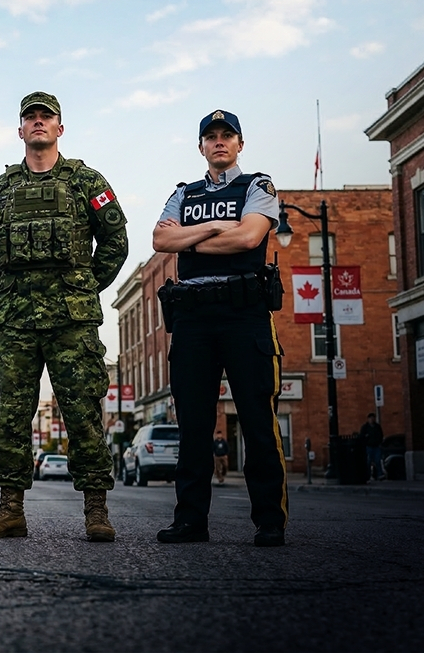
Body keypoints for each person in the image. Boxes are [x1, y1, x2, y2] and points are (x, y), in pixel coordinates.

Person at [0, 92, 128, 542]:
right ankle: (10, 510)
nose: (38, 122)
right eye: (30, 117)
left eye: (46, 116)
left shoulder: (86, 181)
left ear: (60, 128)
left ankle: (96, 510)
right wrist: (7, 287)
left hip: (72, 321)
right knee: (11, 414)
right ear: (20, 130)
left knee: (82, 414)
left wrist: (84, 287)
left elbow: (115, 240)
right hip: (15, 320)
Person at [151, 109, 288, 547]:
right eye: (211, 137)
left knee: (256, 419)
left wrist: (190, 237)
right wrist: (213, 226)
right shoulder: (183, 193)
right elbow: (161, 240)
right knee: (193, 425)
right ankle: (191, 521)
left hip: (244, 313)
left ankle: (270, 521)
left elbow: (249, 238)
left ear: (240, 144)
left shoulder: (258, 186)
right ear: (201, 147)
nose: (219, 142)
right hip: (192, 319)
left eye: (227, 135)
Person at [361, 412, 385, 481]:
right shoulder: (365, 427)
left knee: (378, 461)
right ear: (368, 419)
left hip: (376, 446)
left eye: (373, 418)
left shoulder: (377, 427)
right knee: (368, 461)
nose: (372, 419)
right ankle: (368, 475)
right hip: (368, 446)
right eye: (370, 418)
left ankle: (379, 474)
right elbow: (362, 436)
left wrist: (379, 442)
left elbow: (381, 435)